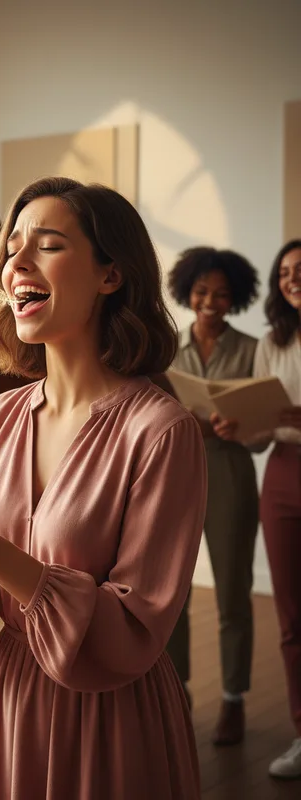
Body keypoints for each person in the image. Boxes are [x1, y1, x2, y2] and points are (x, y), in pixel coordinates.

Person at [0, 177, 207, 799]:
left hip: (113, 720)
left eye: (49, 245)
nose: (17, 265)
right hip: (12, 706)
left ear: (110, 275)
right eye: (11, 249)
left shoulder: (162, 431)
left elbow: (131, 633)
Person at [211, 239, 301, 779]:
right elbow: (265, 438)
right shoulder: (273, 343)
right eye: (285, 271)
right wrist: (240, 427)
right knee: (291, 618)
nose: (292, 278)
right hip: (285, 475)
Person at [164, 247, 260, 745]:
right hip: (176, 474)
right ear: (188, 292)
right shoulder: (168, 349)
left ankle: (234, 699)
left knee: (231, 593)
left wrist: (239, 426)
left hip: (229, 470)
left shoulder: (252, 348)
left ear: (235, 298)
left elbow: (264, 433)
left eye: (222, 294)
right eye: (202, 292)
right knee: (172, 592)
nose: (210, 301)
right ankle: (175, 691)